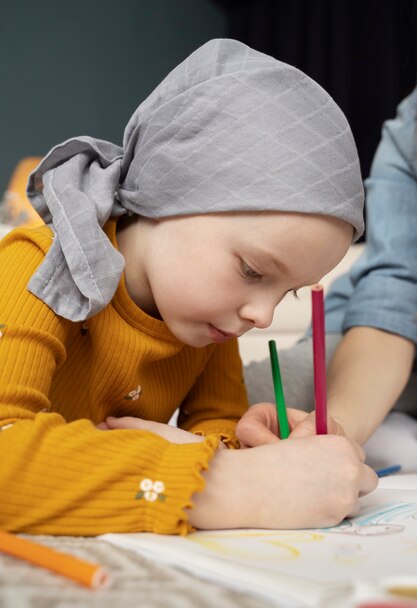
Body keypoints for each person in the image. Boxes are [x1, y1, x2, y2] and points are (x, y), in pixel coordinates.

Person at [0, 39, 377, 537]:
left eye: (287, 293)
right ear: (166, 194)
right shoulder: (34, 266)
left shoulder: (207, 321)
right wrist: (234, 487)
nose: (261, 317)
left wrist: (245, 449)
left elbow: (213, 427)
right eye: (252, 271)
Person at [245, 87, 417, 452]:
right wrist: (337, 436)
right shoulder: (412, 129)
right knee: (255, 403)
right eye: (249, 270)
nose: (263, 317)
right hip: (384, 341)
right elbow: (394, 299)